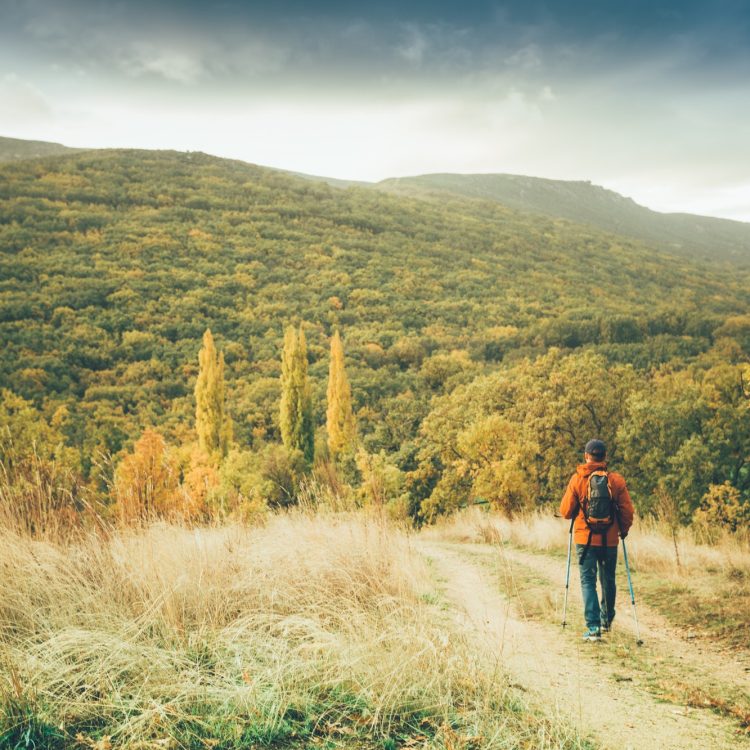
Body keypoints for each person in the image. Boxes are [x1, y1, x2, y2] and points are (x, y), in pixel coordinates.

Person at [559, 439, 634, 641]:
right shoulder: (616, 481)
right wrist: (623, 529)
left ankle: (593, 628)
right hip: (609, 541)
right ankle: (606, 621)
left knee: (588, 581)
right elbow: (627, 510)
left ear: (586, 456)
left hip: (585, 539)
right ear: (605, 457)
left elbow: (565, 512)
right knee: (608, 579)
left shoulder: (577, 480)